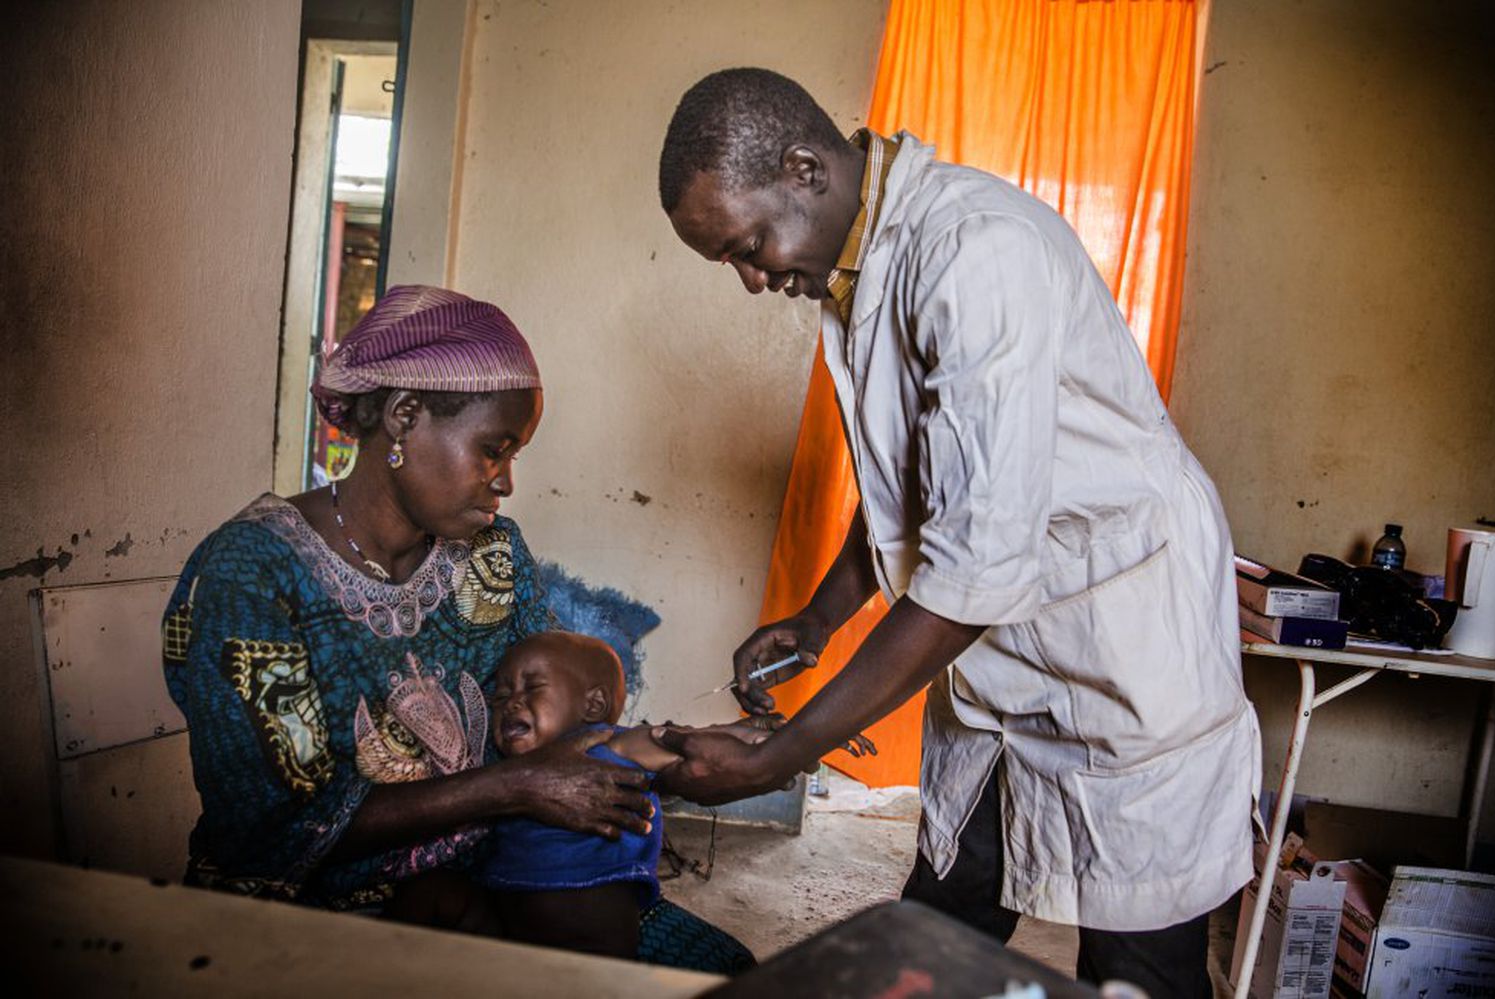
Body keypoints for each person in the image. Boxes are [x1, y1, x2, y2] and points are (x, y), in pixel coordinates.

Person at [651, 69, 1259, 997]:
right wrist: (820, 618)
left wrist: (783, 752)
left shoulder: (976, 255)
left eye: (748, 245)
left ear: (804, 169)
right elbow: (923, 483)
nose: (750, 278)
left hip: (1123, 652)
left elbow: (976, 567)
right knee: (943, 917)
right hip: (1005, 660)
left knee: (1141, 959)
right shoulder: (858, 270)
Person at [162, 285, 743, 968]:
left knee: (724, 972)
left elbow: (557, 731)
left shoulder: (495, 555)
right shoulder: (252, 573)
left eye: (514, 455)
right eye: (493, 449)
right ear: (405, 416)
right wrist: (511, 787)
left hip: (495, 886)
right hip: (317, 918)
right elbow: (270, 825)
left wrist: (677, 756)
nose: (505, 483)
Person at [471, 630, 766, 968]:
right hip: (514, 927)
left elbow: (683, 740)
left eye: (532, 688)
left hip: (595, 941)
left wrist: (752, 737)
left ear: (594, 704)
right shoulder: (506, 771)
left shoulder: (604, 746)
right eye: (501, 696)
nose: (511, 703)